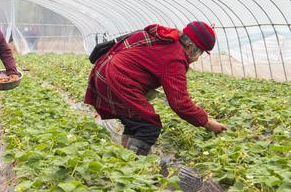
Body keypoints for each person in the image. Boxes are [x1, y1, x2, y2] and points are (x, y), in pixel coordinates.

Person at [84, 21, 227, 155]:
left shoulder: (165, 36)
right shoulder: (175, 57)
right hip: (120, 79)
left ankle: (124, 157)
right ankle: (133, 166)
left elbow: (136, 37)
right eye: (200, 52)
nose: (196, 58)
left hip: (103, 69)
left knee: (136, 121)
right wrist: (207, 122)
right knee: (149, 127)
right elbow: (180, 103)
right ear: (190, 45)